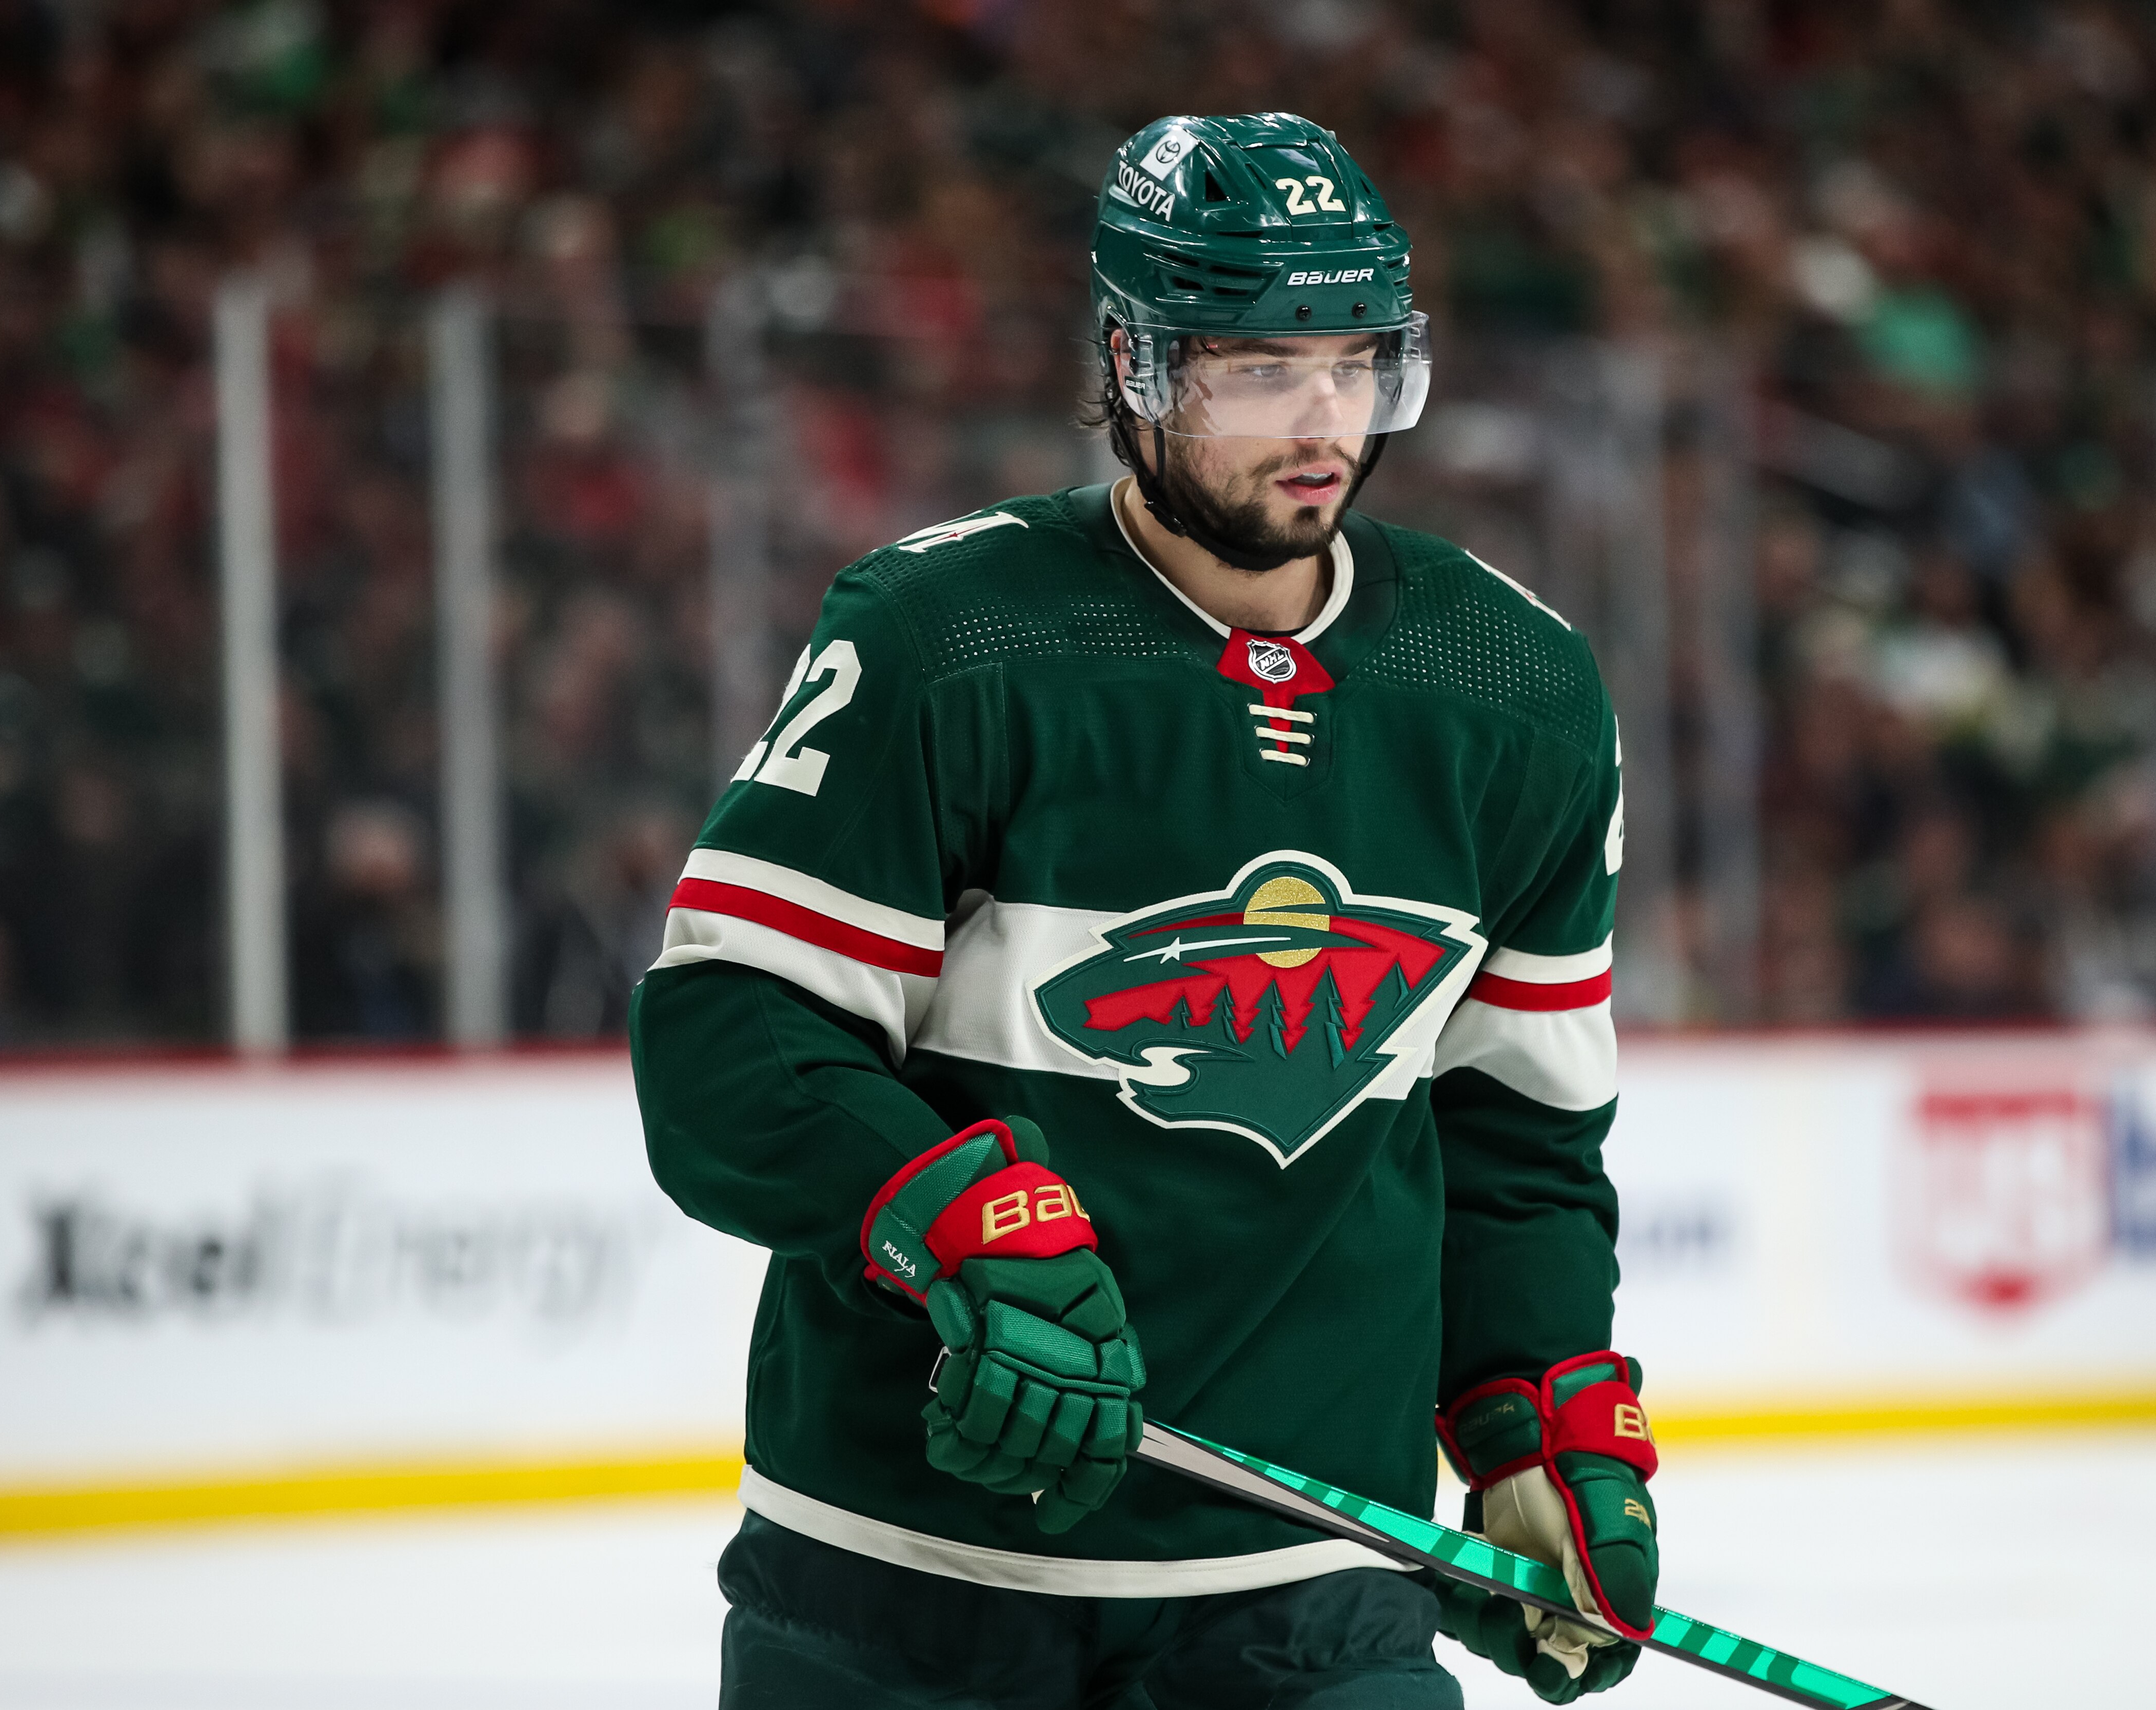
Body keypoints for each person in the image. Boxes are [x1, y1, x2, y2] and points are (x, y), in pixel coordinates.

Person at [632, 113, 1655, 1707]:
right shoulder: (942, 641)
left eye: (1356, 362)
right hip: (907, 1583)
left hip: (1311, 1603)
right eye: (1259, 368)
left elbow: (1517, 1135)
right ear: (1134, 364)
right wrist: (948, 1212)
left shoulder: (1516, 689)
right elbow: (727, 1041)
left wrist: (1534, 1413)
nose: (1323, 423)